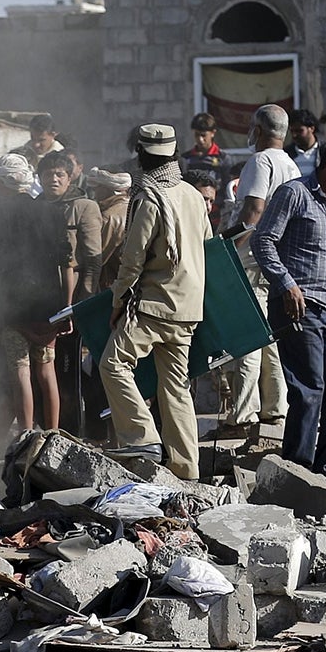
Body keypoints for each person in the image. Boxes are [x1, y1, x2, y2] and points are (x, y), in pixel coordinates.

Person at [99, 125, 208, 481]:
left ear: (143, 156)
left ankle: (142, 437)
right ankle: (186, 466)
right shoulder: (191, 194)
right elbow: (206, 244)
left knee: (113, 364)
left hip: (153, 305)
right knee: (175, 386)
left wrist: (118, 301)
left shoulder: (148, 196)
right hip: (188, 306)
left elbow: (133, 258)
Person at [253, 137, 326, 475]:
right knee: (309, 386)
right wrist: (286, 283)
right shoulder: (294, 194)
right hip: (297, 307)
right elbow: (263, 240)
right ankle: (298, 467)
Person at [220, 103, 298, 432]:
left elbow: (253, 210)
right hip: (278, 260)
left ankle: (242, 414)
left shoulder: (260, 161)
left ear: (260, 131)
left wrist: (228, 247)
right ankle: (275, 408)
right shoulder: (292, 166)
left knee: (249, 336)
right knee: (269, 337)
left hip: (251, 260)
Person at [0, 153, 69, 434]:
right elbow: (66, 265)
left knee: (20, 370)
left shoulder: (1, 215)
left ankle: (26, 432)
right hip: (48, 306)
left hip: (14, 306)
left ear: (4, 183)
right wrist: (66, 308)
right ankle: (54, 432)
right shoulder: (51, 211)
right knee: (47, 371)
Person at [40, 149, 103, 436]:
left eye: (59, 174)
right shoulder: (36, 206)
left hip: (71, 302)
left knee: (70, 373)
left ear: (69, 177)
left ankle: (75, 432)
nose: (53, 179)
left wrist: (82, 305)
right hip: (40, 300)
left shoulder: (83, 207)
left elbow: (92, 260)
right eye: (48, 174)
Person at [289, 109, 321, 179]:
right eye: (292, 131)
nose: (294, 135)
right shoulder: (287, 154)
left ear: (312, 128)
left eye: (299, 131)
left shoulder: (324, 151)